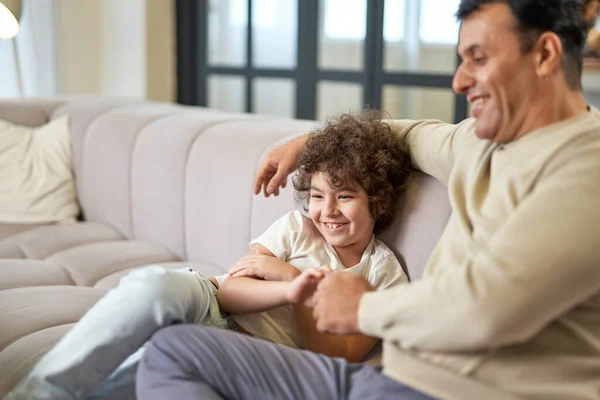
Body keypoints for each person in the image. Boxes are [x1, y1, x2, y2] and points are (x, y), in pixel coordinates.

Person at [136, 1, 600, 399]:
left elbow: (487, 310)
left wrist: (362, 308)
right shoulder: (477, 144)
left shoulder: (585, 169)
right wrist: (309, 142)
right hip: (385, 379)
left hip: (450, 392)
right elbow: (405, 134)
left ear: (544, 54)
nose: (459, 81)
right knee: (172, 349)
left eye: (477, 59)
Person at [6, 110, 411, 400]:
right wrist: (285, 288)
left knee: (139, 374)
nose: (328, 211)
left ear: (378, 201)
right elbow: (231, 291)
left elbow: (335, 356)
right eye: (319, 196)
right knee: (154, 285)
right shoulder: (296, 228)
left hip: (247, 355)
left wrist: (292, 283)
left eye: (345, 197)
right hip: (213, 303)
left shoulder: (383, 273)